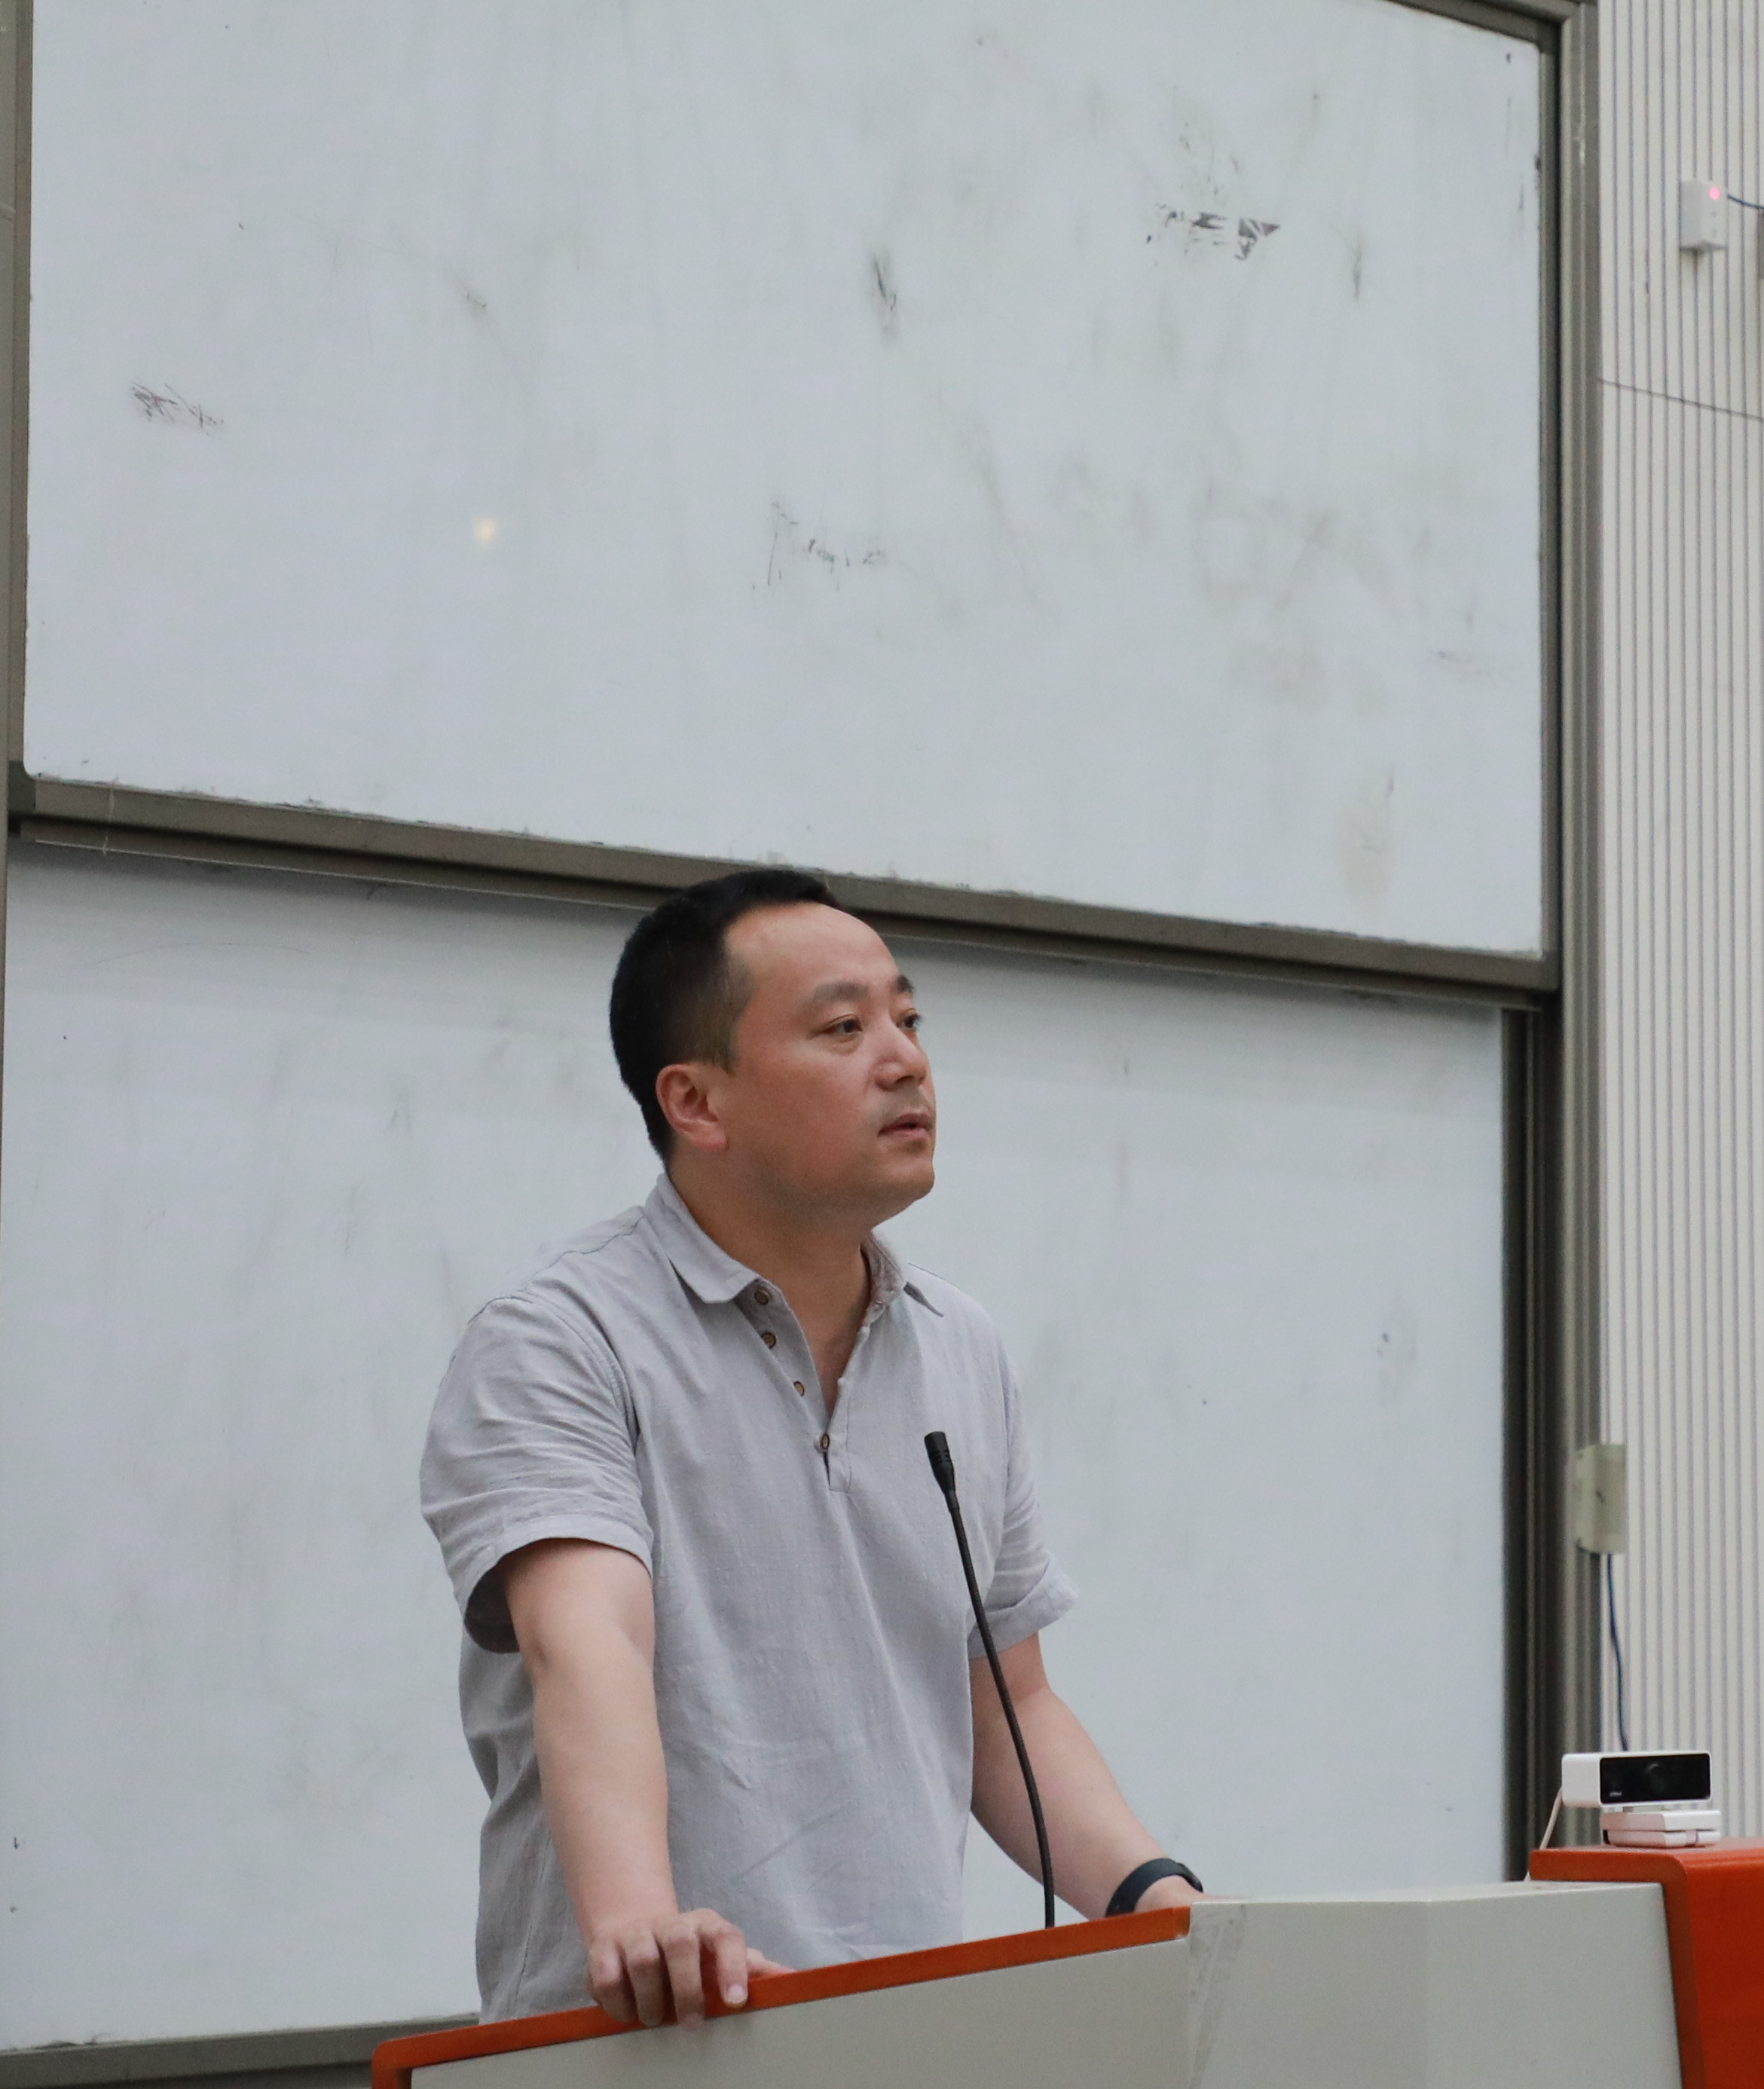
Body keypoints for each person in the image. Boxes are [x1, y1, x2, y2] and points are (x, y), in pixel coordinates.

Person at [415, 867, 1201, 2029]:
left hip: (897, 2034)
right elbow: (586, 1641)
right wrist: (644, 1928)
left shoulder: (960, 1346)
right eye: (843, 1028)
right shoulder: (561, 1339)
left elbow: (1008, 1704)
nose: (905, 1060)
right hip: (647, 2045)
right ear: (697, 1103)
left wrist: (1159, 1900)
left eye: (909, 1018)